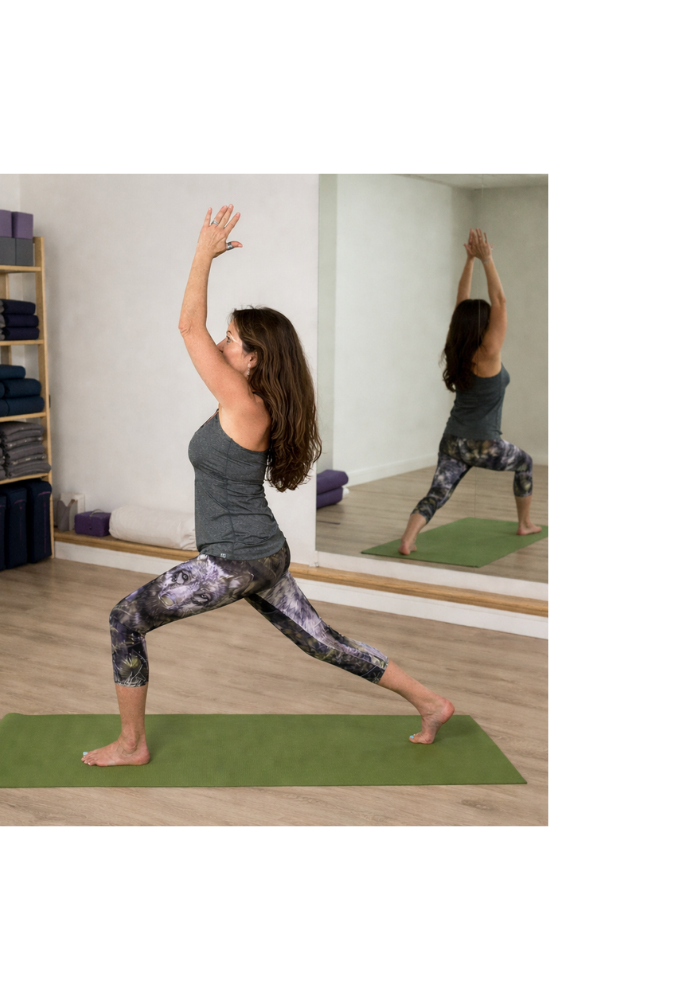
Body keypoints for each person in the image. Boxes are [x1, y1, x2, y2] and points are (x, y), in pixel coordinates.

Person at [82, 205, 453, 767]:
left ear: (253, 360)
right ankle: (430, 702)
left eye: (231, 339)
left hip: (236, 559)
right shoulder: (249, 401)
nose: (221, 345)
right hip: (262, 554)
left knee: (124, 619)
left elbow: (186, 327)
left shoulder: (245, 404)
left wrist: (202, 255)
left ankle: (131, 745)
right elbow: (200, 338)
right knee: (321, 640)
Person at [399, 229, 542, 557]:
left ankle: (408, 539)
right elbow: (500, 302)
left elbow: (460, 305)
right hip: (484, 444)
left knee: (438, 492)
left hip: (452, 440)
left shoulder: (456, 348)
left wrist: (468, 261)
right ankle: (524, 523)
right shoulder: (489, 350)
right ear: (484, 326)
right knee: (526, 463)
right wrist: (486, 259)